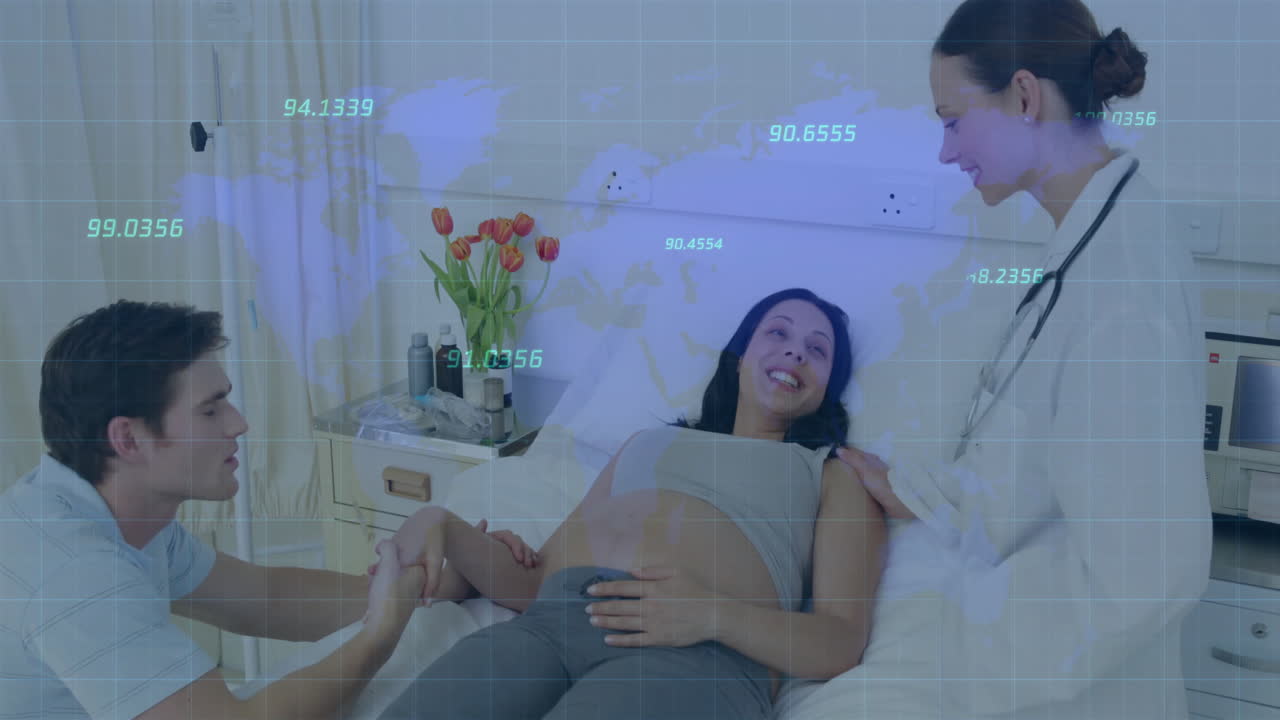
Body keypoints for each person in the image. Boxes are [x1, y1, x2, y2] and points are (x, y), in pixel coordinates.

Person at [830, 0, 1212, 717]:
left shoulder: (1125, 286)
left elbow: (1148, 571)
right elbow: (1047, 472)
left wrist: (968, 657)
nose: (946, 151)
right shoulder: (1088, 245)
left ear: (1026, 97)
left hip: (1059, 687)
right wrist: (923, 496)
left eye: (953, 119)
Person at [0, 300, 536, 720]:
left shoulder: (113, 511)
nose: (238, 424)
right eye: (210, 410)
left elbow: (270, 599)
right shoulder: (75, 573)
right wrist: (380, 634)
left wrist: (439, 580)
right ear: (129, 439)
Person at [373, 288, 888, 719]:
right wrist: (440, 521)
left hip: (698, 655)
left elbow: (839, 642)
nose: (796, 351)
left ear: (827, 388)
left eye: (817, 350)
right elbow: (533, 586)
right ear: (739, 356)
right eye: (778, 333)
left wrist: (711, 615)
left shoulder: (829, 471)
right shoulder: (646, 442)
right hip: (549, 627)